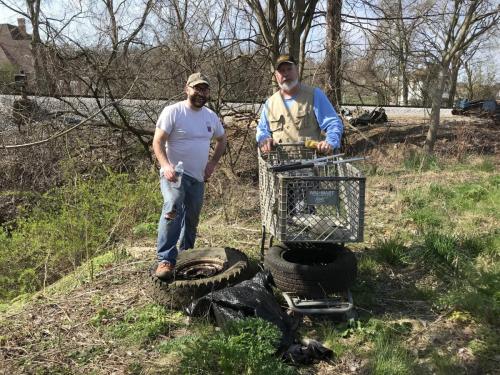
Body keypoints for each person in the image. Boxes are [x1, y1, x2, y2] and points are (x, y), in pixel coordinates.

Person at [153, 72, 227, 279]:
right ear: (187, 89)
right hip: (175, 174)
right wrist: (166, 165)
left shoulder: (210, 116)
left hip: (198, 177)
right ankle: (166, 260)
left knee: (192, 218)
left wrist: (212, 163)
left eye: (204, 89)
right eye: (196, 88)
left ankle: (185, 255)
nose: (200, 93)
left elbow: (222, 140)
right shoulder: (173, 112)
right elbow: (158, 141)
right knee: (173, 205)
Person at [256, 54, 343, 154]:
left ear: (296, 70)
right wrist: (264, 139)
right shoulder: (270, 104)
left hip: (310, 165)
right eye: (282, 71)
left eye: (289, 69)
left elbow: (333, 123)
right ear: (276, 76)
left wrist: (329, 142)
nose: (286, 74)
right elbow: (262, 130)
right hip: (279, 166)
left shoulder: (314, 95)